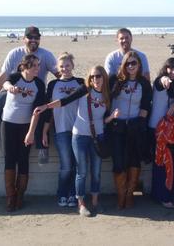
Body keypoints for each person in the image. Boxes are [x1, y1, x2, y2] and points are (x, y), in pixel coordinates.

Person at [35, 66, 117, 217]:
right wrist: (46, 106)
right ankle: (81, 204)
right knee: (82, 171)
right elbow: (64, 101)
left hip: (97, 137)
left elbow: (104, 119)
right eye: (92, 77)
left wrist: (111, 117)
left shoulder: (107, 95)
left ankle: (95, 202)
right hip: (79, 136)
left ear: (104, 77)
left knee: (96, 171)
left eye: (98, 76)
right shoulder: (84, 90)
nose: (95, 79)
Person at [0, 26, 58, 164]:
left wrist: (66, 90)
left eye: (37, 37)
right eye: (30, 37)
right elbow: (3, 76)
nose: (34, 40)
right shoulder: (14, 53)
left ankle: (42, 147)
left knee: (42, 110)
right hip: (12, 91)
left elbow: (58, 74)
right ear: (24, 39)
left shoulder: (46, 55)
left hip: (36, 92)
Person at [2, 54, 46, 211]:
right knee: (9, 159)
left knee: (23, 160)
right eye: (34, 65)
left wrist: (31, 132)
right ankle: (10, 197)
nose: (37, 68)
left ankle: (20, 196)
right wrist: (10, 88)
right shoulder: (15, 77)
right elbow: (6, 83)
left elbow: (37, 111)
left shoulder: (39, 85)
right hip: (8, 123)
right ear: (24, 66)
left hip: (26, 126)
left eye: (38, 65)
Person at [109, 52, 152, 209]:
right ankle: (121, 194)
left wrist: (140, 123)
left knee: (134, 160)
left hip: (135, 126)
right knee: (119, 162)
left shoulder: (144, 83)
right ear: (123, 65)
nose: (131, 66)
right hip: (117, 127)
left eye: (134, 63)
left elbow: (146, 106)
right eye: (127, 63)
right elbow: (104, 97)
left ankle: (130, 195)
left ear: (139, 65)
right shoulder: (115, 81)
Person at [41, 52, 84, 207]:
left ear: (72, 66)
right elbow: (48, 109)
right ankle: (62, 193)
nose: (65, 69)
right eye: (61, 66)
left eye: (67, 65)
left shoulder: (80, 82)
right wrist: (45, 131)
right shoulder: (53, 85)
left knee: (77, 165)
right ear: (57, 68)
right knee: (66, 165)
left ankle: (73, 193)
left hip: (79, 130)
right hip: (61, 130)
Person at [149, 57, 174, 208]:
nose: (173, 72)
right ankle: (163, 196)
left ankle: (163, 194)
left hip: (169, 130)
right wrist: (164, 79)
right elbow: (160, 83)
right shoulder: (160, 82)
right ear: (165, 69)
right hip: (157, 130)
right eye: (170, 69)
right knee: (162, 164)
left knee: (167, 163)